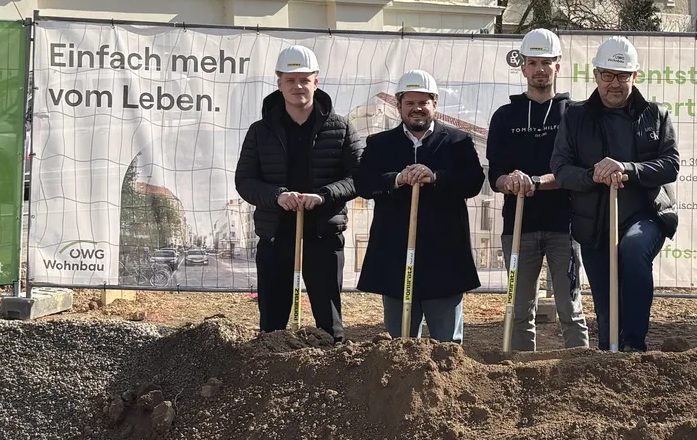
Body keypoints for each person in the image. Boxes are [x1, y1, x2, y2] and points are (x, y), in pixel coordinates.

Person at [552, 36, 679, 352]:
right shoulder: (575, 117)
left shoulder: (656, 115)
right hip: (594, 224)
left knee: (635, 252)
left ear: (635, 76)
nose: (614, 83)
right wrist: (592, 175)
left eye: (623, 76)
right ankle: (612, 354)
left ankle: (635, 343)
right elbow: (561, 167)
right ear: (595, 75)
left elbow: (670, 165)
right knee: (607, 305)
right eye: (607, 75)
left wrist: (627, 168)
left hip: (645, 215)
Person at [235, 45, 363, 342]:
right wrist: (277, 195)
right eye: (290, 80)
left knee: (329, 319)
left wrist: (325, 195)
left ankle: (331, 370)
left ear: (316, 82)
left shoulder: (341, 127)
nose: (298, 86)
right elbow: (245, 181)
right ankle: (270, 371)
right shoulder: (259, 131)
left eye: (304, 79)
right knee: (273, 321)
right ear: (279, 84)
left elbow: (358, 177)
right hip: (276, 233)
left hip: (323, 233)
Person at [354, 69, 485, 343]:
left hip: (445, 256)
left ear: (434, 104)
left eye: (423, 102)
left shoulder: (458, 141)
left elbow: (473, 182)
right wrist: (397, 179)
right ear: (399, 105)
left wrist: (436, 177)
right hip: (395, 255)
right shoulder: (379, 144)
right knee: (398, 343)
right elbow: (364, 183)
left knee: (446, 343)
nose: (417, 109)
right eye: (410, 102)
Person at [487, 29, 589, 350]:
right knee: (519, 311)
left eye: (547, 62)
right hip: (518, 229)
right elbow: (496, 176)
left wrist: (536, 182)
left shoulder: (575, 114)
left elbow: (575, 172)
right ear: (523, 68)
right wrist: (510, 182)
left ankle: (581, 374)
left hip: (565, 227)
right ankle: (520, 375)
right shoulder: (504, 117)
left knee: (570, 309)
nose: (540, 69)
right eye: (533, 63)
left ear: (558, 66)